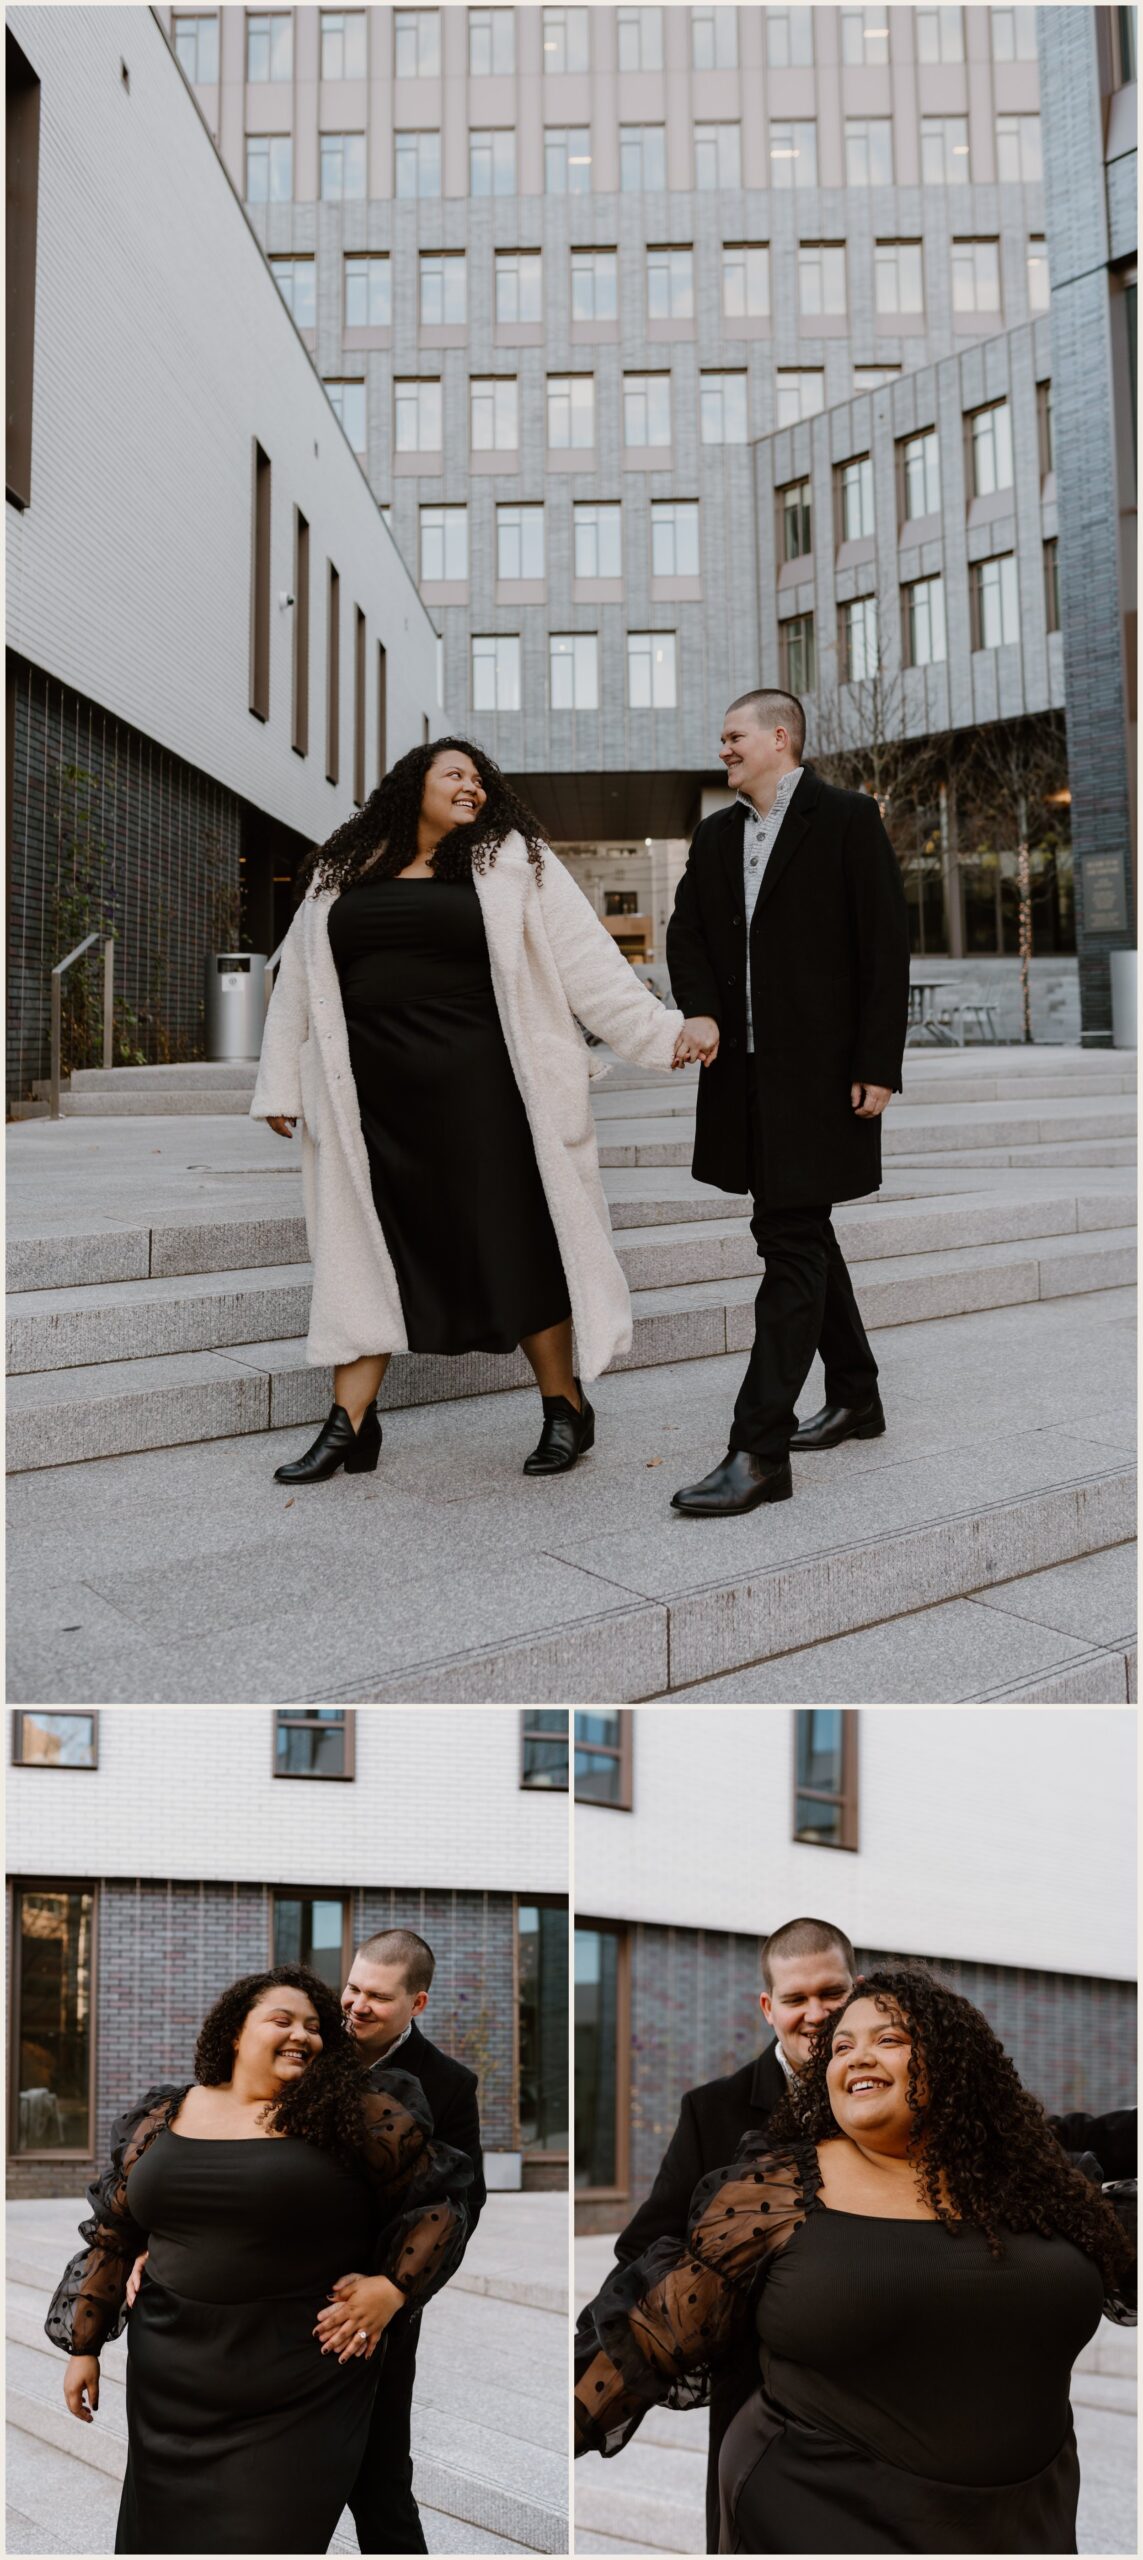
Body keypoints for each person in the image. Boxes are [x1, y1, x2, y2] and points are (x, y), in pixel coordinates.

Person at [588, 1915, 1136, 2555]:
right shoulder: (716, 2115)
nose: (820, 2018)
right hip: (808, 2472)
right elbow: (652, 2272)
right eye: (799, 2001)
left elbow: (1068, 2137)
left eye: (836, 1999)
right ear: (769, 2008)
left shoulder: (1011, 2158)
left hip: (1021, 2512)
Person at [252, 737, 687, 1484]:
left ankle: (564, 1408)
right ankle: (349, 1425)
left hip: (486, 1092)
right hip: (371, 1098)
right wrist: (279, 1086)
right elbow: (298, 983)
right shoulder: (337, 869)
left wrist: (665, 1035)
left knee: (509, 1239)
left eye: (480, 780)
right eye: (455, 774)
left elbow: (590, 965)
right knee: (370, 1248)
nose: (473, 788)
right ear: (409, 786)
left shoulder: (510, 861)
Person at [47, 1964, 471, 2557]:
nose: (305, 2034)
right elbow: (116, 2231)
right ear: (236, 2034)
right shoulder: (166, 2114)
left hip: (297, 2376)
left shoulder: (354, 2113)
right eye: (283, 2020)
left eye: (316, 2026)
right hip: (171, 2377)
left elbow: (443, 2203)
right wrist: (85, 2346)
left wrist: (394, 2288)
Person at [666, 690, 911, 1516]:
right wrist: (697, 1007)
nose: (722, 748)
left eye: (732, 735)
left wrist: (880, 1062)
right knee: (798, 1226)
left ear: (779, 738)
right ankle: (857, 1394)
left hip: (820, 1075)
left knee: (790, 1239)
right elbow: (685, 934)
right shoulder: (713, 834)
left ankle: (757, 1448)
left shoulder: (845, 817)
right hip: (742, 1076)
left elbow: (883, 943)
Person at [339, 1929, 487, 2558]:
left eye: (375, 1995)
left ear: (416, 2004)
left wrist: (395, 2290)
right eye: (351, 1987)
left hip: (379, 2310)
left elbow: (461, 2204)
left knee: (380, 2484)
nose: (355, 2006)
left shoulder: (450, 2084)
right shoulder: (307, 2049)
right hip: (280, 2289)